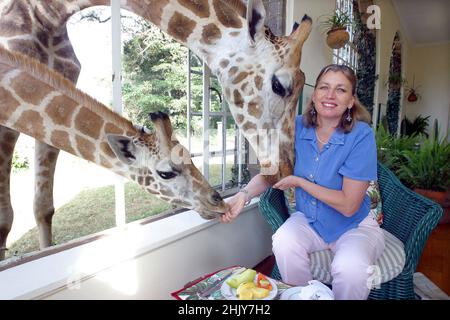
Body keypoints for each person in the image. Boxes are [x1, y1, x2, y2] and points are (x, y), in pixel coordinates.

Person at [220, 64, 385, 300]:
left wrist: (300, 182)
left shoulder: (361, 135)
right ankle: (303, 295)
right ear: (314, 94)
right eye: (324, 87)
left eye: (340, 90)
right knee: (284, 242)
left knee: (351, 268)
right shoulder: (293, 127)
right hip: (309, 219)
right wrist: (243, 195)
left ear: (351, 101)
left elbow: (349, 205)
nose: (330, 95)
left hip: (354, 225)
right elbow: (271, 173)